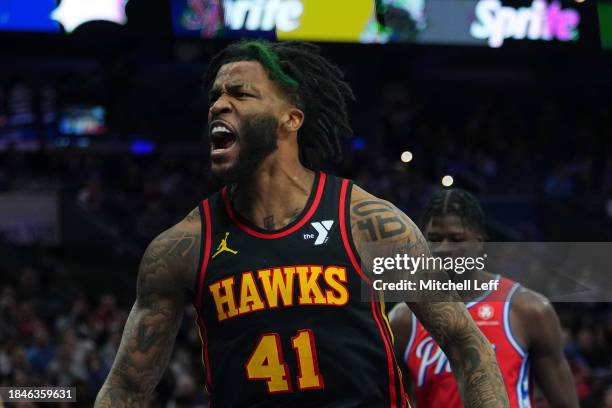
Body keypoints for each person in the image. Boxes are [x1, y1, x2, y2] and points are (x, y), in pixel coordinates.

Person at [95, 41, 509, 407]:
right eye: (216, 95)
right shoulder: (181, 247)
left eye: (240, 93)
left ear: (290, 119)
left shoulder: (368, 223)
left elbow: (465, 341)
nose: (218, 104)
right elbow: (128, 388)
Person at [389, 188, 579, 408]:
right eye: (434, 239)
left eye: (456, 238)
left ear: (480, 241)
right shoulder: (403, 319)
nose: (443, 248)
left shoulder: (529, 310)